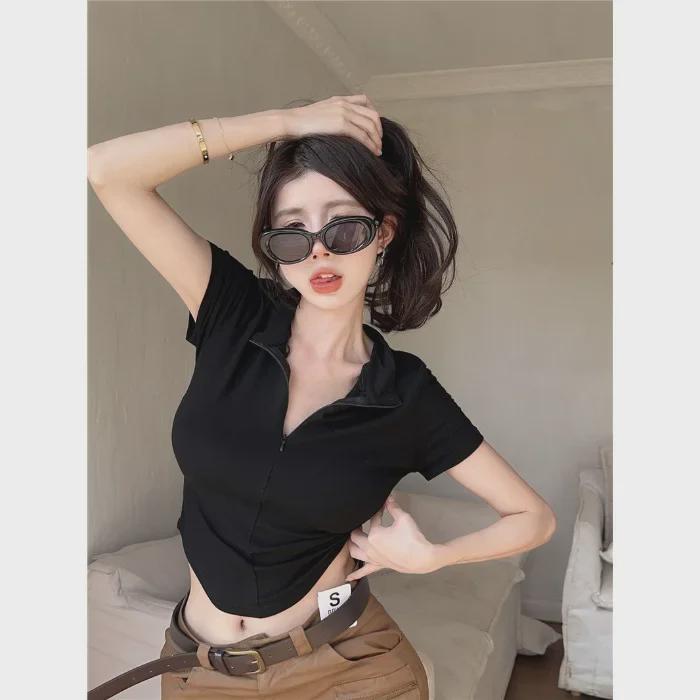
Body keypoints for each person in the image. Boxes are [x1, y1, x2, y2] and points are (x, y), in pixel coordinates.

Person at [87, 94, 557, 700]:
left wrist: (434, 557)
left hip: (349, 668)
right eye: (292, 233)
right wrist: (286, 123)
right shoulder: (232, 312)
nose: (319, 251)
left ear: (383, 233)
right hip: (200, 669)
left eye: (344, 226)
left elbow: (533, 517)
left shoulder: (405, 393)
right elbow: (109, 171)